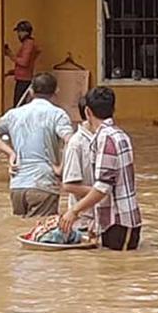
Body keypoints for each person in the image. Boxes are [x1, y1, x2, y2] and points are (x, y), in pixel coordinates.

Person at [60, 87, 142, 250]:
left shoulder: (105, 140)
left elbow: (103, 187)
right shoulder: (120, 135)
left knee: (114, 271)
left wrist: (74, 211)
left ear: (88, 112)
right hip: (122, 220)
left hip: (117, 223)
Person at [0, 72, 73, 217]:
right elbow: (71, 141)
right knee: (41, 235)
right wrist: (61, 168)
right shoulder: (58, 114)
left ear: (30, 92)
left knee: (20, 231)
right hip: (43, 184)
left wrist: (10, 153)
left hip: (17, 186)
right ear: (56, 92)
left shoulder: (14, 114)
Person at [61, 95, 96, 232]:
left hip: (104, 220)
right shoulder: (76, 143)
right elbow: (69, 185)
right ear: (88, 113)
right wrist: (101, 192)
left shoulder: (108, 139)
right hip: (84, 222)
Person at [4, 20, 41, 108]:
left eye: (19, 32)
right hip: (23, 78)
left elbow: (24, 62)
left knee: (19, 105)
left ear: (25, 32)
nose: (18, 35)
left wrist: (10, 55)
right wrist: (13, 72)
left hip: (24, 80)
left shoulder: (28, 44)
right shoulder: (28, 43)